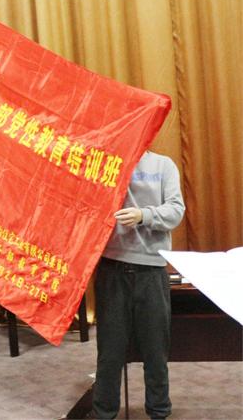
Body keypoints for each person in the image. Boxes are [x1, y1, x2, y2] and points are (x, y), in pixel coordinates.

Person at [92, 151, 185, 420]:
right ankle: (103, 413)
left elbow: (176, 210)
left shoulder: (163, 165)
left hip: (151, 270)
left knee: (156, 352)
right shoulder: (103, 162)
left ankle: (159, 411)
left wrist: (143, 215)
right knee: (109, 353)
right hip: (112, 268)